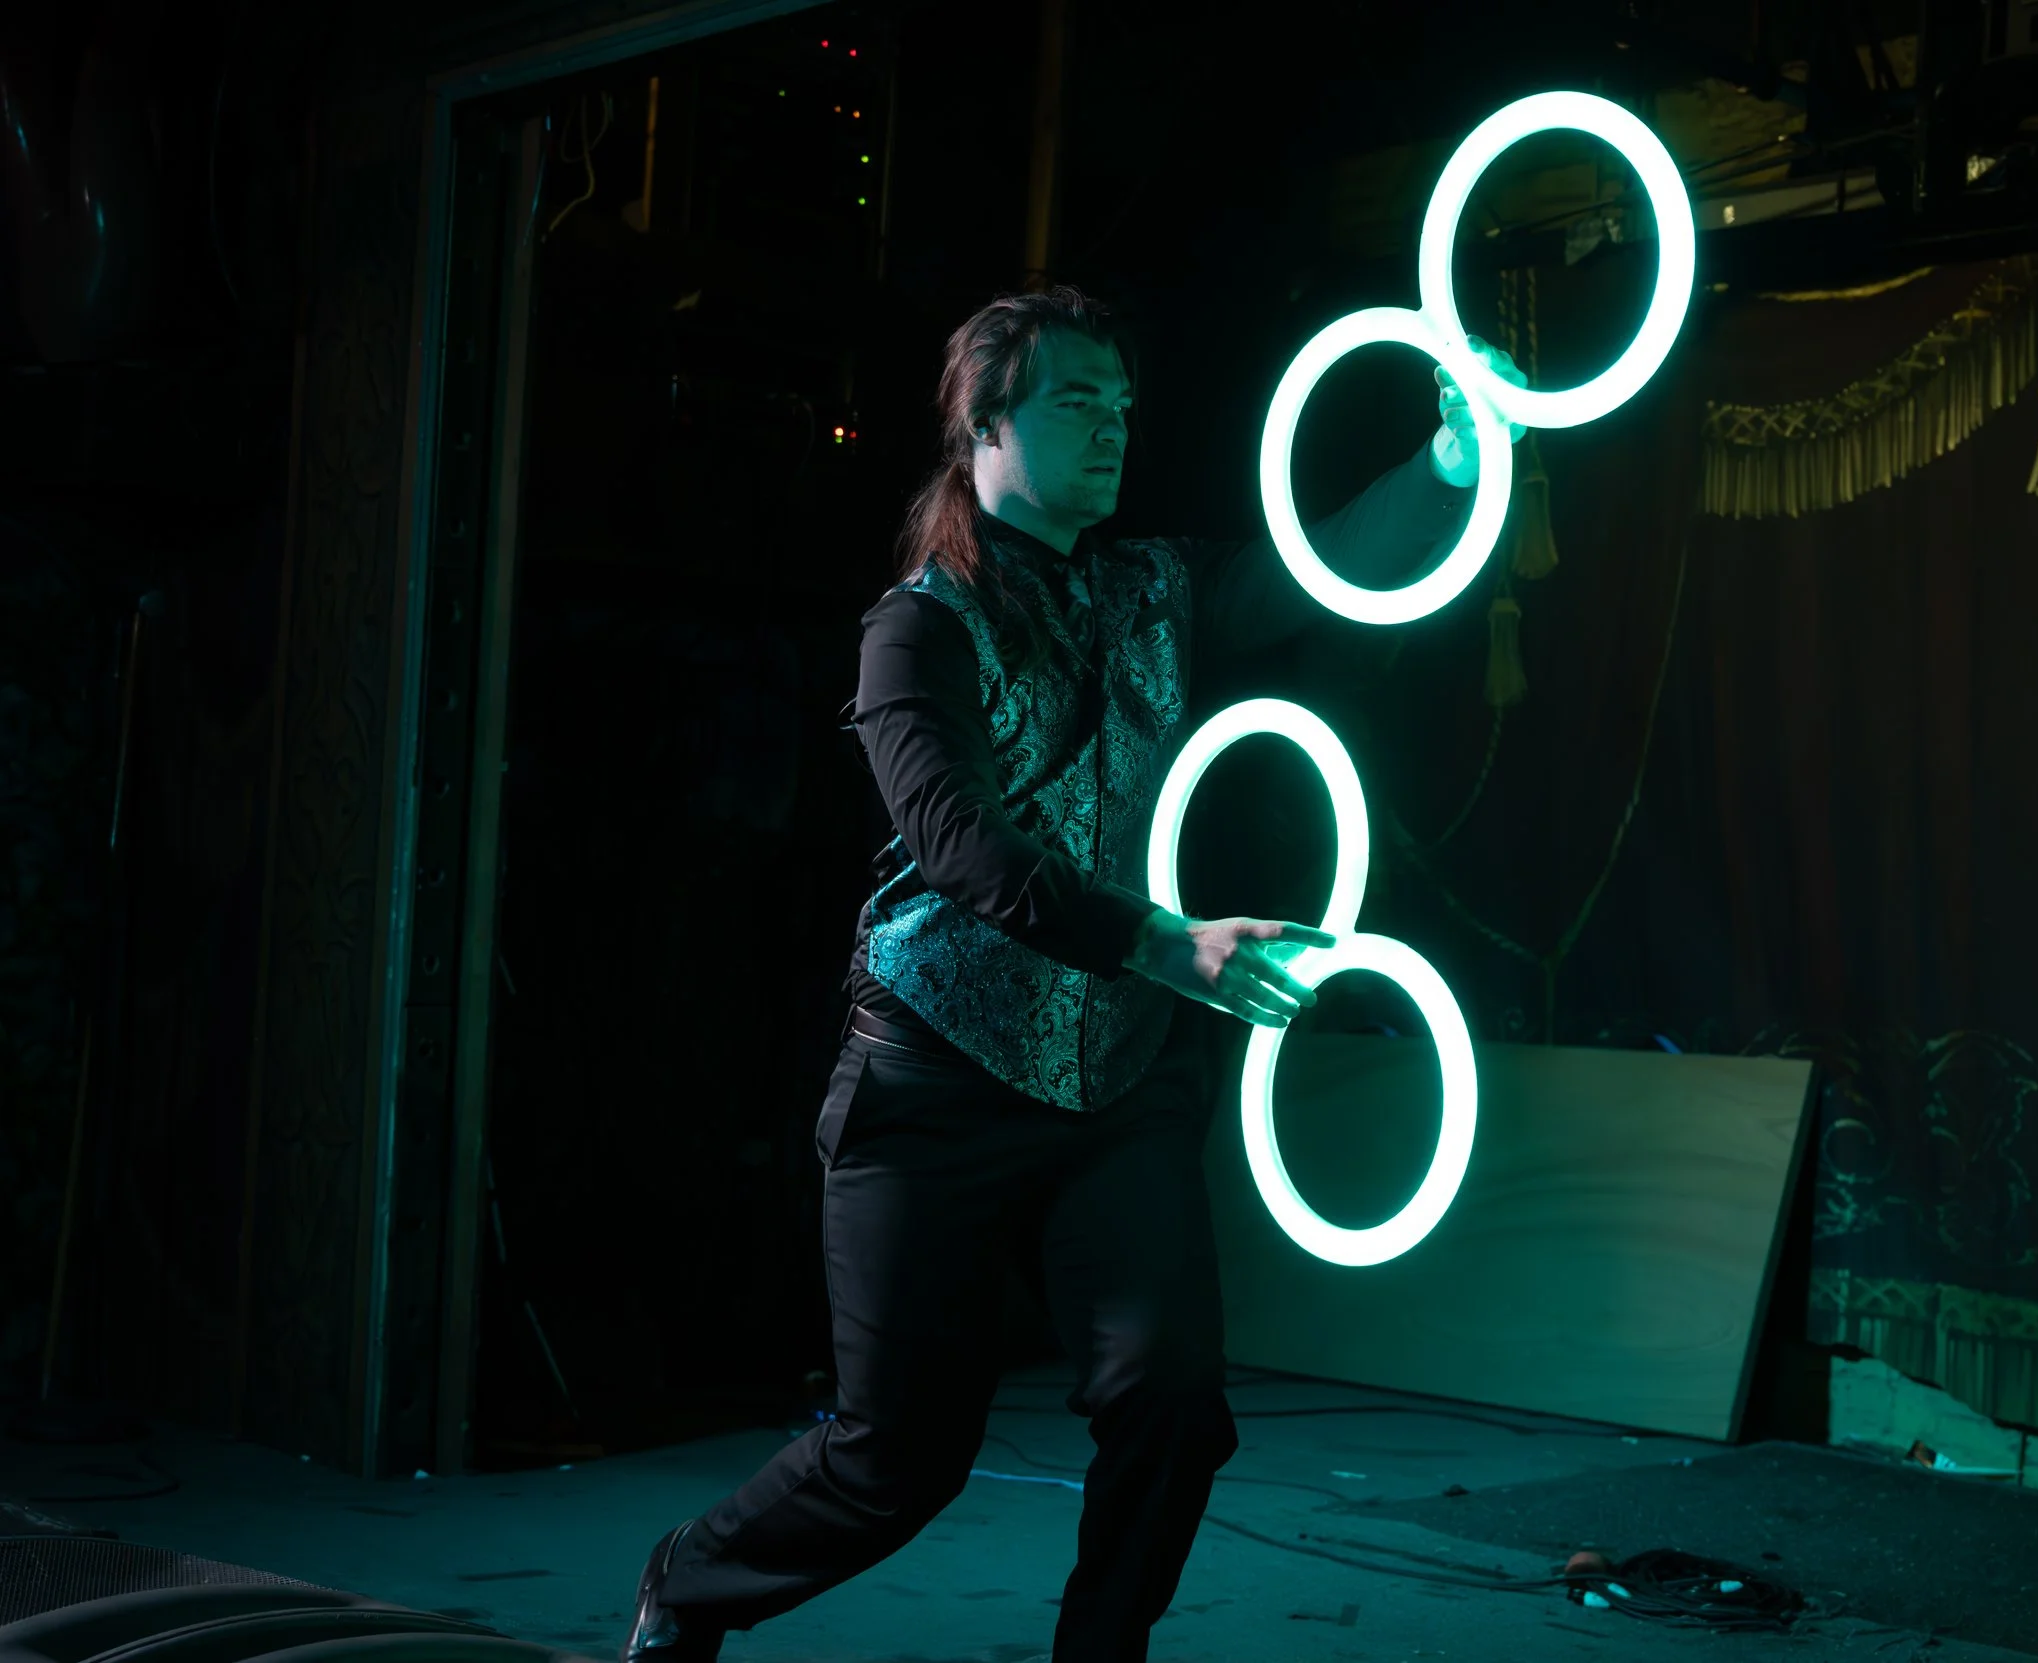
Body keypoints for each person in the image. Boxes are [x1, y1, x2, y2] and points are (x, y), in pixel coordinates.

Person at [621, 286, 1525, 1663]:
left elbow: (1308, 572)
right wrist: (1166, 943)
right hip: (933, 1077)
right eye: (1077, 401)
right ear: (984, 422)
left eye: (1123, 404)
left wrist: (1453, 461)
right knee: (895, 1458)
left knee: (1172, 1404)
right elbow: (964, 844)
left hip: (1111, 1079)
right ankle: (686, 1586)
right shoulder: (915, 629)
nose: (1114, 428)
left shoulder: (1151, 584)